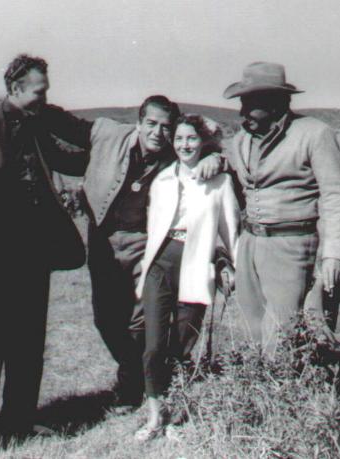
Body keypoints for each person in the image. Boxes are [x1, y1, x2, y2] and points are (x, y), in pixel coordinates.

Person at [83, 97, 223, 410]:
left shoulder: (173, 153)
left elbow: (202, 144)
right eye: (152, 124)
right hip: (104, 240)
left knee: (139, 319)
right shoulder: (112, 138)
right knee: (105, 318)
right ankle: (137, 370)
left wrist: (216, 157)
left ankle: (137, 384)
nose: (158, 132)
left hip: (144, 241)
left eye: (165, 126)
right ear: (139, 123)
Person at [0, 54, 91, 440]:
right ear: (15, 89)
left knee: (28, 340)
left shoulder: (38, 122)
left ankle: (18, 422)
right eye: (39, 92)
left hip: (33, 254)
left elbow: (72, 160)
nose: (45, 98)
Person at [223, 61, 340, 357]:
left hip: (291, 246)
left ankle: (291, 395)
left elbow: (335, 195)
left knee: (282, 334)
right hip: (250, 244)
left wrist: (334, 254)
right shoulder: (241, 140)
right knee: (252, 329)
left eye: (250, 103)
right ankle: (259, 395)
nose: (242, 112)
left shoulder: (314, 133)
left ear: (275, 102)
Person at [134, 114, 240, 441]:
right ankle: (155, 415)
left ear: (203, 141)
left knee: (180, 344)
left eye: (191, 138)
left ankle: (176, 412)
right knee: (153, 345)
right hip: (160, 264)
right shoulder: (163, 179)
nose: (184, 145)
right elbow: (153, 230)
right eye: (178, 139)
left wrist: (231, 266)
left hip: (196, 265)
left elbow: (230, 230)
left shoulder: (219, 182)